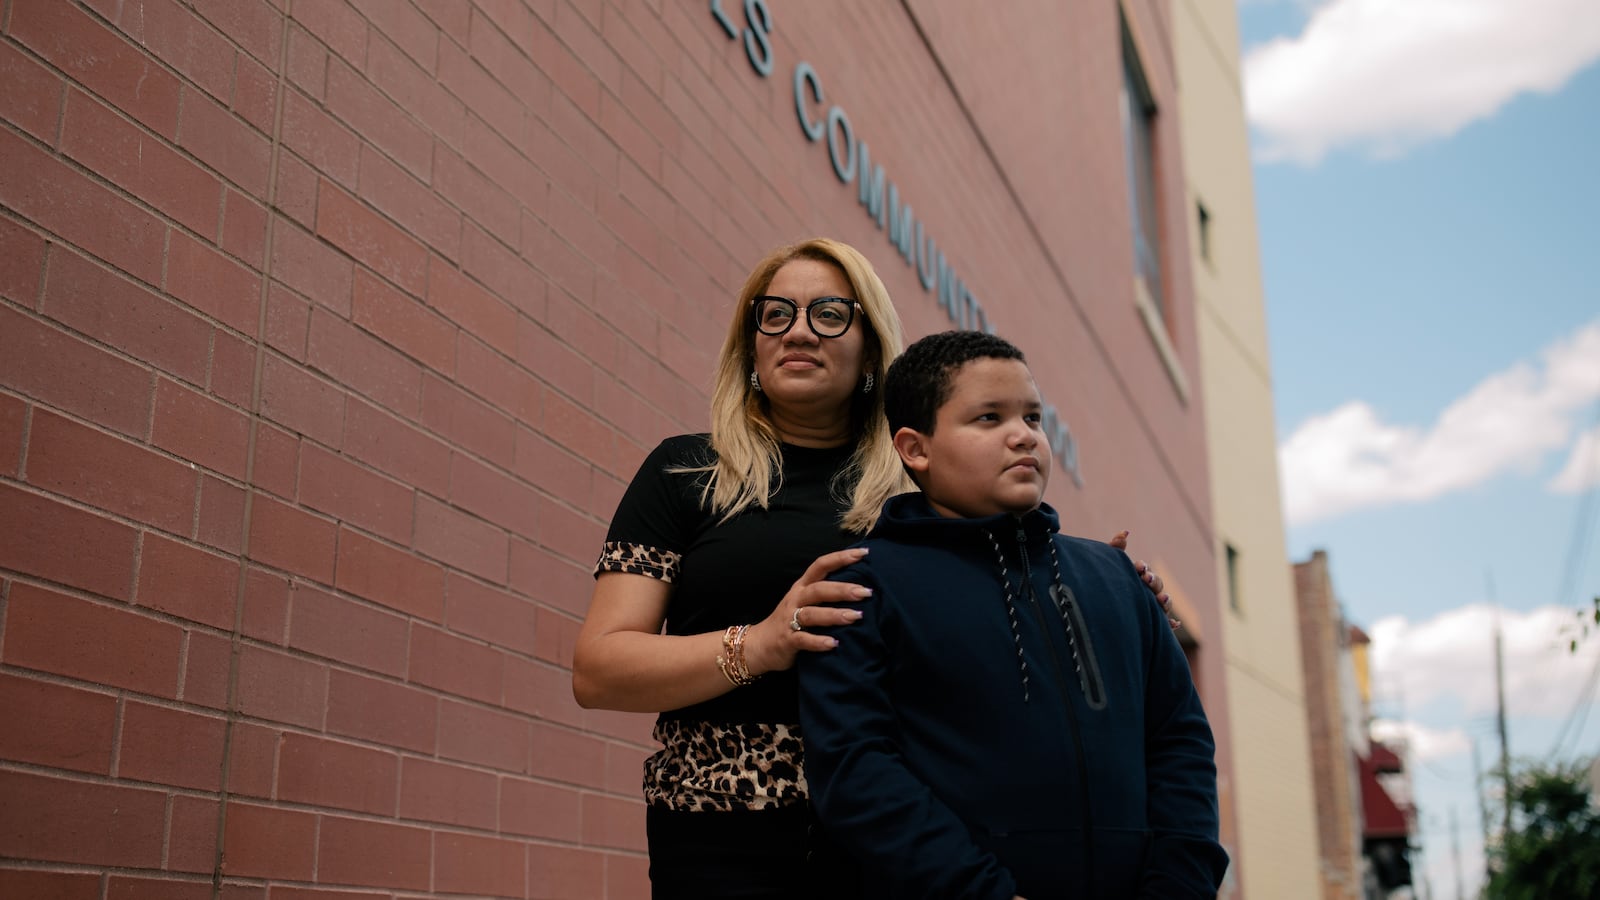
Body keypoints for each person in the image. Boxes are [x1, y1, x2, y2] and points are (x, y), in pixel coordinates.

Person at [571, 241, 1172, 899]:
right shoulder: (685, 474)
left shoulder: (919, 491)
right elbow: (598, 670)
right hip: (725, 836)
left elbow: (994, 625)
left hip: (901, 846)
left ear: (869, 347)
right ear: (751, 344)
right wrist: (759, 645)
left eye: (830, 313)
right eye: (774, 315)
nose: (798, 330)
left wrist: (1107, 597)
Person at [796, 330, 1228, 900]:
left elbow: (1181, 743)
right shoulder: (862, 587)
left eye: (1033, 417)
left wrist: (1176, 887)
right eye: (988, 418)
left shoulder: (1116, 579)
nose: (1023, 435)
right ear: (915, 449)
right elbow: (857, 773)